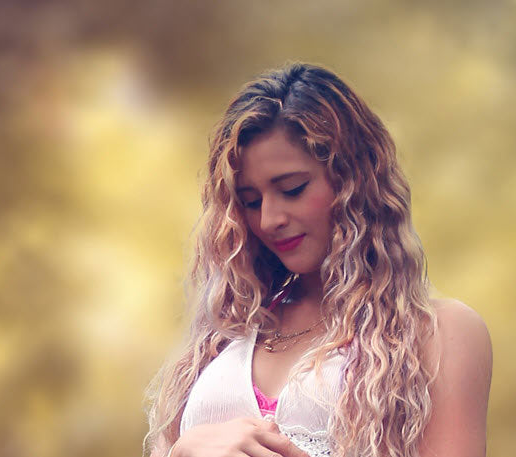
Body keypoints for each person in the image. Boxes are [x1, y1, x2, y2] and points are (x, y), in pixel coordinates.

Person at [144, 62, 492, 457]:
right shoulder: (222, 335)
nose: (269, 220)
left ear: (353, 181)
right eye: (250, 201)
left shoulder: (438, 332)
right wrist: (182, 451)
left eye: (292, 189)